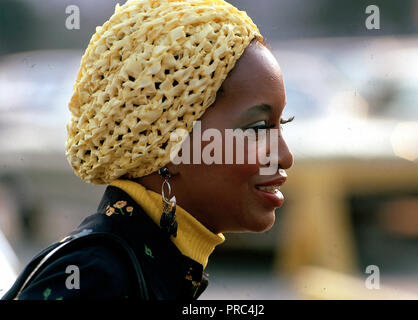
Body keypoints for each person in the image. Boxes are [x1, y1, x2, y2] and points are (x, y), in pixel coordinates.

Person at [4, 0, 294, 300]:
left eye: (283, 123)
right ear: (173, 145)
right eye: (259, 128)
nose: (285, 156)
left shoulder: (150, 266)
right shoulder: (96, 278)